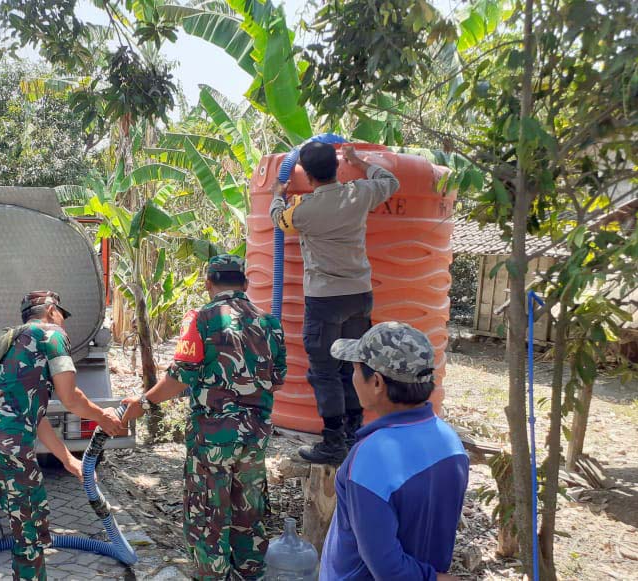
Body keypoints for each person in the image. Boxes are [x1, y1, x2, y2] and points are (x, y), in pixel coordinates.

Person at [121, 255, 287, 580]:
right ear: (246, 283)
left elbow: (180, 377)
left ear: (209, 284)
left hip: (212, 438)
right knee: (249, 516)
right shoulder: (270, 322)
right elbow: (277, 378)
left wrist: (145, 400)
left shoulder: (201, 319)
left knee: (209, 518)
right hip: (255, 436)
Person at [0, 290, 126, 581]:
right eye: (61, 316)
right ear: (51, 310)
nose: (63, 324)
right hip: (9, 447)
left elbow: (34, 416)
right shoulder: (52, 336)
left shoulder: (14, 339)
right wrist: (103, 416)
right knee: (28, 530)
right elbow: (71, 397)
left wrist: (68, 460)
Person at [269, 142, 401, 464]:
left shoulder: (304, 210)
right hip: (359, 294)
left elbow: (276, 219)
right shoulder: (359, 194)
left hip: (326, 299)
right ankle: (356, 433)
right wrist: (362, 162)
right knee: (354, 363)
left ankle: (332, 442)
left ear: (309, 176)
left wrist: (277, 192)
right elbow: (391, 183)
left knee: (324, 370)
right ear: (338, 168)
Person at [321, 322, 468, 581]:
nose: (353, 378)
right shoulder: (450, 442)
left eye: (355, 370)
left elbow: (387, 568)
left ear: (376, 382)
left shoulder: (372, 457)